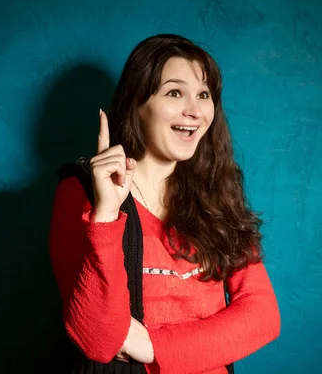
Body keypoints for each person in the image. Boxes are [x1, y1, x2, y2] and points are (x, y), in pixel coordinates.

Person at [48, 34, 280, 374]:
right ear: (137, 105)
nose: (195, 110)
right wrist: (107, 215)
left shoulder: (217, 191)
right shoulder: (80, 191)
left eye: (204, 95)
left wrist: (151, 346)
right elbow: (98, 340)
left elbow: (262, 315)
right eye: (174, 92)